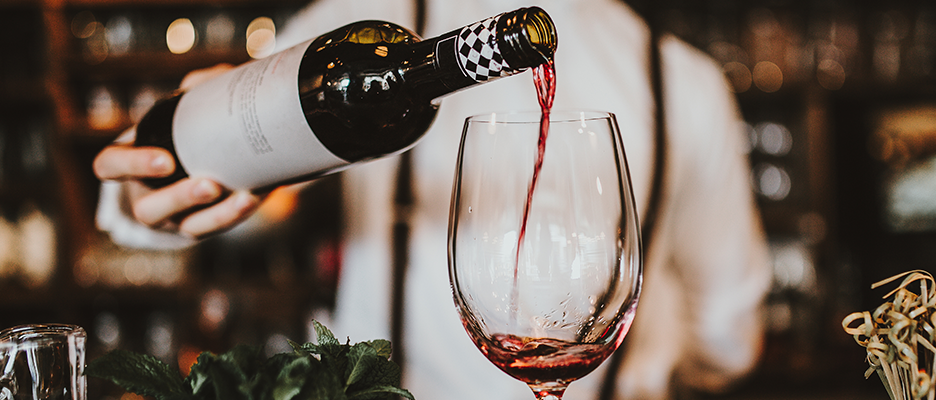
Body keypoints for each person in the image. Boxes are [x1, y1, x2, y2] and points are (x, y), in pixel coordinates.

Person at [92, 0, 773, 399]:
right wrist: (165, 176)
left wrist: (135, 202)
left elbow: (733, 334)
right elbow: (725, 336)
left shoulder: (686, 78)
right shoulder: (357, 30)